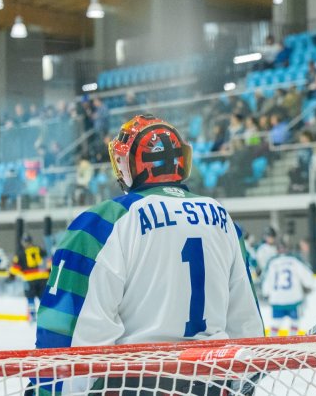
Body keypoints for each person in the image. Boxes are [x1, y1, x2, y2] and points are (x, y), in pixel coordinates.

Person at [34, 114, 263, 395]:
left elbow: (69, 328)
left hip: (134, 384)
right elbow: (246, 323)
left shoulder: (104, 221)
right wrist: (243, 383)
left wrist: (44, 391)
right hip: (211, 384)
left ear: (126, 165)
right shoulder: (223, 218)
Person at [261, 242, 314, 337]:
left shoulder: (272, 263)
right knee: (295, 322)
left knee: (275, 323)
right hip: (293, 298)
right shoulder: (294, 261)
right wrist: (309, 285)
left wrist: (266, 293)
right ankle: (292, 341)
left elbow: (267, 279)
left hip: (277, 299)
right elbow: (306, 275)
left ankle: (271, 342)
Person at [8, 234, 49, 323]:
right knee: (43, 298)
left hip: (29, 279)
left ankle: (33, 316)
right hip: (43, 278)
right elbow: (48, 262)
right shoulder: (40, 249)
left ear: (23, 242)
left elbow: (15, 268)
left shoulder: (21, 253)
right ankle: (46, 316)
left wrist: (11, 275)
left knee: (30, 298)